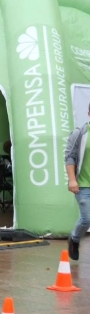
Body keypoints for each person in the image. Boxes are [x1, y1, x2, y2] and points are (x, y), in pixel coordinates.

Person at [64, 105, 90, 261]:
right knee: (87, 219)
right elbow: (70, 157)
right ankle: (74, 238)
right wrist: (72, 180)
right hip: (84, 184)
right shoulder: (80, 133)